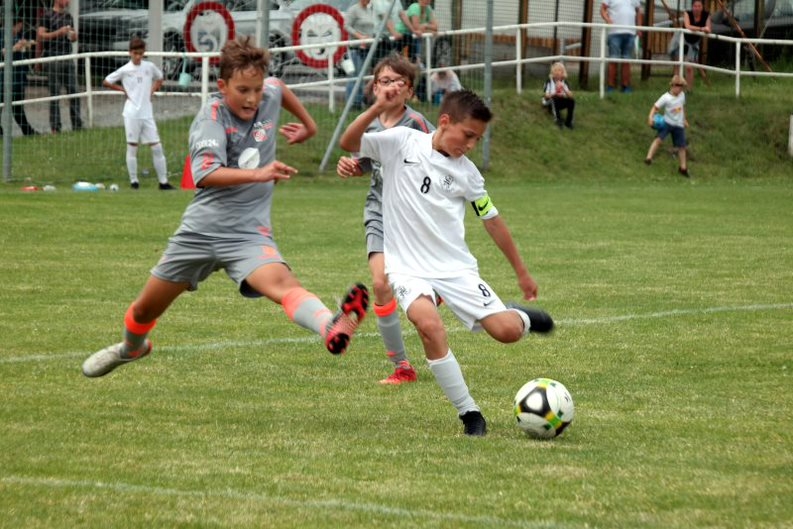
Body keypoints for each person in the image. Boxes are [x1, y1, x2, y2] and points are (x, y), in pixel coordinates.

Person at [82, 37, 369, 378]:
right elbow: (205, 174)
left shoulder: (268, 92)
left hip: (248, 233)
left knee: (284, 284)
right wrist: (259, 173)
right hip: (201, 232)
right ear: (222, 86)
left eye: (256, 90)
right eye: (242, 90)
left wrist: (310, 126)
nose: (252, 99)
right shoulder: (212, 117)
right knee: (145, 309)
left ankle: (330, 326)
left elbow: (279, 87)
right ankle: (132, 348)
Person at [339, 89, 554, 436]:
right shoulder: (401, 142)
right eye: (467, 135)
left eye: (477, 139)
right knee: (429, 325)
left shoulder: (468, 174)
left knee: (507, 333)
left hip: (455, 269)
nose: (470, 145)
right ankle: (470, 414)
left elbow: (492, 221)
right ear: (444, 122)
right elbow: (349, 142)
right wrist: (377, 106)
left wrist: (522, 272)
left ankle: (520, 316)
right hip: (407, 268)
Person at [337, 55, 434, 385]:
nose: (390, 86)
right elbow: (364, 163)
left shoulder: (417, 124)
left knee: (421, 291)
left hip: (413, 216)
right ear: (374, 87)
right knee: (380, 284)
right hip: (379, 211)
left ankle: (436, 290)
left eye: (398, 81)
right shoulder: (369, 124)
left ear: (409, 91)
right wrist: (351, 167)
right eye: (384, 80)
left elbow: (443, 156)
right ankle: (402, 367)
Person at [102, 38, 174, 190]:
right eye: (135, 53)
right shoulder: (125, 70)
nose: (138, 57)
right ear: (130, 53)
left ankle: (163, 182)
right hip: (132, 113)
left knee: (157, 147)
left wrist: (152, 91)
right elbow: (107, 81)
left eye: (141, 53)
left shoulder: (149, 67)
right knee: (132, 147)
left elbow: (160, 78)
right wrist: (122, 90)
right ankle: (134, 181)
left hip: (147, 114)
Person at [37, 0, 83, 133]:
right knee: (55, 94)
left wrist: (74, 36)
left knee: (74, 91)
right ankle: (55, 127)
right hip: (53, 58)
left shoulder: (68, 16)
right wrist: (58, 33)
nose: (68, 1)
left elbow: (73, 36)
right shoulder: (47, 16)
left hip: (67, 57)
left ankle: (77, 125)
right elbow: (41, 35)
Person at [344, 0, 397, 109]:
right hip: (356, 47)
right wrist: (359, 36)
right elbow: (346, 26)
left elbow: (374, 26)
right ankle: (352, 102)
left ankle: (359, 101)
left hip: (368, 47)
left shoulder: (370, 10)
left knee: (362, 76)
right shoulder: (353, 10)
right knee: (355, 75)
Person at [0, 17, 39, 137]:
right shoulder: (2, 35)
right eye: (20, 26)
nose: (20, 28)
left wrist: (25, 45)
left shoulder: (16, 36)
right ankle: (26, 131)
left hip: (18, 77)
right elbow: (3, 52)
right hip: (4, 78)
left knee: (17, 107)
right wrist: (15, 48)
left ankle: (27, 131)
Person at [644, 74, 689, 177]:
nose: (680, 89)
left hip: (678, 124)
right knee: (659, 140)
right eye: (678, 86)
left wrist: (684, 119)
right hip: (667, 122)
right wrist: (650, 118)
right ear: (672, 86)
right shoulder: (666, 98)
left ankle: (683, 168)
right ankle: (648, 158)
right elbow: (655, 108)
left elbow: (682, 108)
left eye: (682, 87)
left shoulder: (682, 95)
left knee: (682, 146)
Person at [600, 0, 643, 93]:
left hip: (630, 32)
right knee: (613, 60)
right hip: (614, 32)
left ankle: (626, 86)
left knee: (626, 61)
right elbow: (603, 9)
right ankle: (611, 87)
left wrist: (639, 28)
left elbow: (638, 11)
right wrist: (608, 20)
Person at [670, 0, 711, 90]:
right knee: (677, 63)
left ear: (702, 7)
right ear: (692, 7)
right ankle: (675, 88)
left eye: (699, 6)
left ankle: (689, 89)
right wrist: (701, 28)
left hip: (693, 43)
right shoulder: (687, 13)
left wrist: (705, 29)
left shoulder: (706, 15)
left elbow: (708, 29)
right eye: (695, 6)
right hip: (681, 39)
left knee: (689, 67)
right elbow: (688, 26)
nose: (697, 8)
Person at [395, 0, 437, 66]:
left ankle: (416, 64)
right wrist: (429, 29)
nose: (426, 1)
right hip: (403, 36)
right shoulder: (415, 7)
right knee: (404, 61)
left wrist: (425, 25)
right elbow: (416, 27)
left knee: (414, 61)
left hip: (415, 37)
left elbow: (436, 27)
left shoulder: (428, 9)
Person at [542, 61, 575, 129]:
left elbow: (571, 96)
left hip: (560, 100)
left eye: (559, 70)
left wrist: (563, 88)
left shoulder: (565, 82)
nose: (557, 72)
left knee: (571, 101)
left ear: (563, 72)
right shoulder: (549, 81)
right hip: (549, 101)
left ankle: (568, 122)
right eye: (555, 70)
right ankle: (558, 120)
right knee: (554, 99)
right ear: (552, 72)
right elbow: (546, 96)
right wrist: (554, 94)